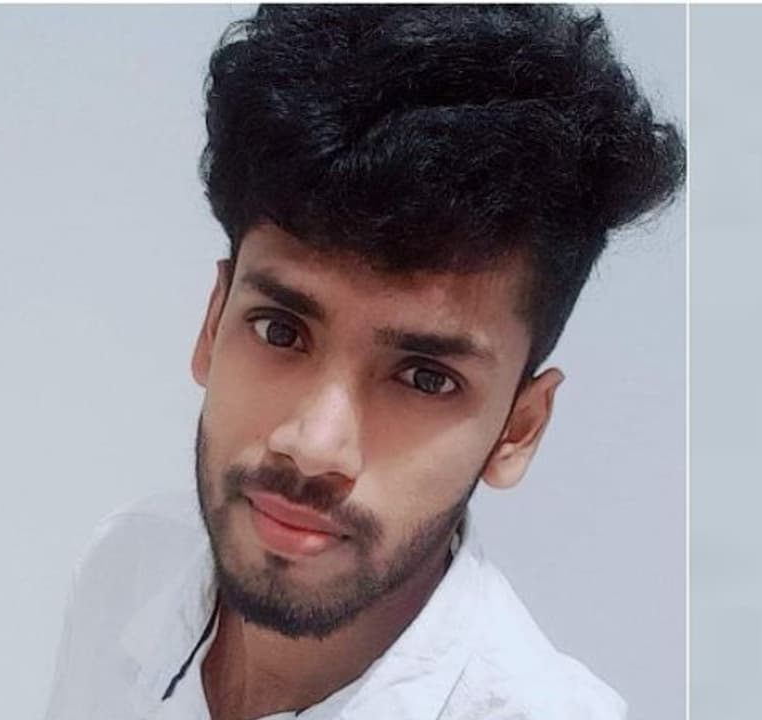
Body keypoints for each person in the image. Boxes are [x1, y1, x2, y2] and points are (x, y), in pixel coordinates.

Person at [44, 5, 684, 719]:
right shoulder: (128, 568)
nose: (314, 446)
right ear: (213, 324)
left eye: (425, 378)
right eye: (280, 331)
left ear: (518, 430)